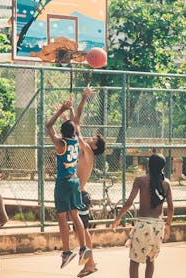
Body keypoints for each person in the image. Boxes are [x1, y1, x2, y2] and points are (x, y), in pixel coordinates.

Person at [45, 99, 91, 269]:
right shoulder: (77, 142)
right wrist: (71, 109)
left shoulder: (60, 144)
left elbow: (49, 126)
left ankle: (66, 252)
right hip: (75, 182)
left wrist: (60, 112)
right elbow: (76, 124)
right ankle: (84, 248)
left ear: (62, 133)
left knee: (62, 217)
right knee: (75, 214)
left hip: (64, 183)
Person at [112, 153, 174, 278]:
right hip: (158, 226)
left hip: (143, 225)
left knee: (135, 260)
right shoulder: (166, 183)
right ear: (162, 167)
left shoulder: (140, 180)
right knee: (150, 259)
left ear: (148, 165)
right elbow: (171, 207)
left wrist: (117, 218)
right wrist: (168, 225)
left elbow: (129, 202)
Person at [74, 86, 106, 277]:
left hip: (79, 195)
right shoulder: (85, 151)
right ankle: (91, 262)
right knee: (83, 231)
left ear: (94, 145)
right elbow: (76, 124)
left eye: (92, 138)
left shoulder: (87, 151)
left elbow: (76, 126)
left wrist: (83, 99)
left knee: (82, 232)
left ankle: (90, 264)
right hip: (79, 194)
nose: (89, 137)